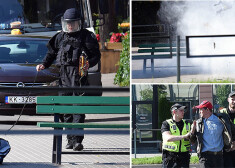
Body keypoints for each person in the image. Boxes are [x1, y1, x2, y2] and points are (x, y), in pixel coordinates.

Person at [36, 8, 101, 151]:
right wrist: (44, 64)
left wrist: (88, 62)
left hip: (79, 77)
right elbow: (51, 53)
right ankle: (70, 140)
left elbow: (96, 55)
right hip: (63, 75)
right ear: (64, 23)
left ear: (79, 23)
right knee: (65, 111)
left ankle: (77, 141)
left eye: (73, 23)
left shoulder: (87, 36)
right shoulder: (60, 37)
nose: (70, 26)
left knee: (78, 109)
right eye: (68, 23)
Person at [191, 100, 235, 168]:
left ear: (207, 110)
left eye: (201, 109)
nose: (199, 112)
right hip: (205, 157)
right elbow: (192, 140)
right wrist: (192, 131)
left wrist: (233, 142)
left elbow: (233, 130)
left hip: (219, 156)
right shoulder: (198, 123)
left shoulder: (222, 119)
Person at [161, 103, 192, 168]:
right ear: (174, 112)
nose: (183, 112)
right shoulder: (166, 124)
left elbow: (193, 137)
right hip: (170, 158)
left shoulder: (187, 123)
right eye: (181, 110)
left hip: (184, 157)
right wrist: (185, 136)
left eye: (183, 111)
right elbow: (168, 138)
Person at [219, 91, 235, 167]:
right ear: (228, 100)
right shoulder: (221, 113)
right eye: (232, 99)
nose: (234, 101)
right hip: (226, 149)